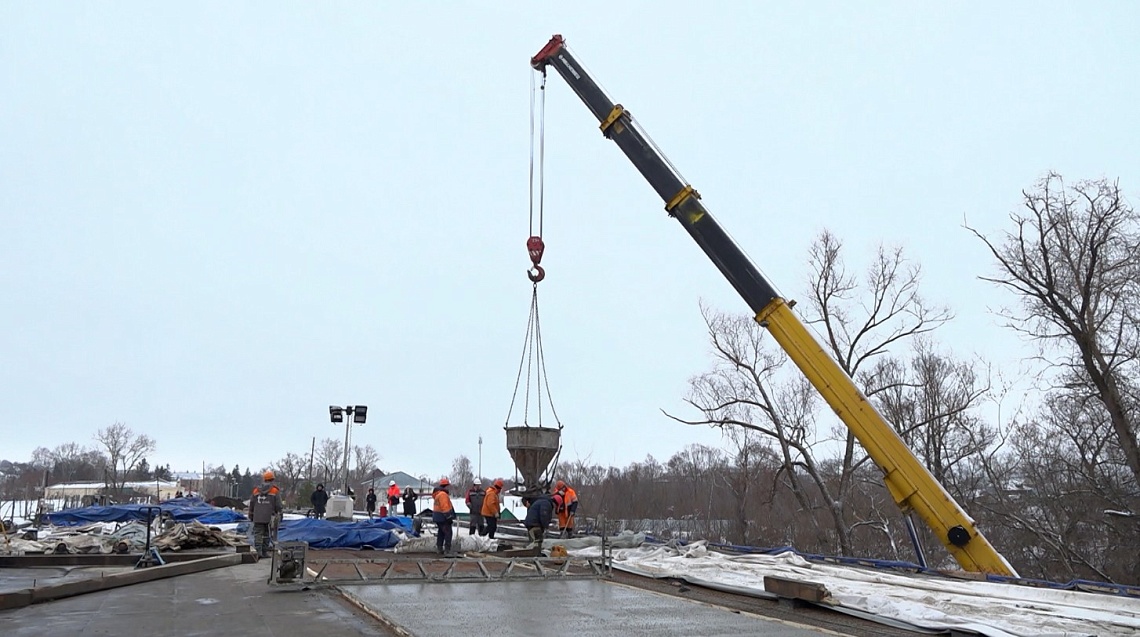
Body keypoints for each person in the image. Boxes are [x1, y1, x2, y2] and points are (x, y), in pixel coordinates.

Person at [249, 470, 282, 558]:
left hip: (257, 516)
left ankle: (258, 552)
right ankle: (264, 552)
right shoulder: (275, 490)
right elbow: (278, 505)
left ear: (264, 479)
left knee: (258, 534)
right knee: (267, 534)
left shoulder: (256, 490)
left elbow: (252, 503)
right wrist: (279, 514)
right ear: (272, 479)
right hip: (269, 517)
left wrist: (251, 514)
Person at [431, 477, 456, 555]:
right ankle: (447, 550)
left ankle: (439, 548)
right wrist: (448, 517)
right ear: (446, 486)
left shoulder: (438, 494)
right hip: (443, 517)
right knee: (448, 533)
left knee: (441, 533)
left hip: (438, 516)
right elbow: (444, 506)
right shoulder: (443, 495)